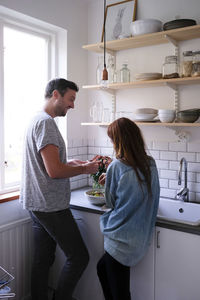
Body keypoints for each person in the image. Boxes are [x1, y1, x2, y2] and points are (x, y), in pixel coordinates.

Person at [20, 78, 99, 300]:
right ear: (56, 94)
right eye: (70, 99)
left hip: (35, 202)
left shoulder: (36, 119)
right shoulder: (46, 123)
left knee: (42, 259)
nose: (72, 105)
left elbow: (47, 163)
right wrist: (85, 169)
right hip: (50, 205)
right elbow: (54, 171)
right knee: (79, 257)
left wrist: (74, 162)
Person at [97, 117, 160, 300]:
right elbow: (152, 194)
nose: (111, 143)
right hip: (139, 235)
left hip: (120, 237)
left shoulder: (116, 166)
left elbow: (111, 203)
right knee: (102, 269)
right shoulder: (150, 163)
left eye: (112, 139)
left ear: (119, 141)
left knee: (120, 293)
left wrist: (109, 180)